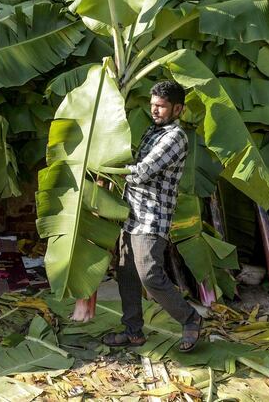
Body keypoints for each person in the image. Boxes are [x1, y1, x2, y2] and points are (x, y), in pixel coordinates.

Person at [102, 80, 202, 352]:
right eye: (152, 105)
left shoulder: (175, 137)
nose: (154, 111)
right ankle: (133, 332)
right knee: (126, 275)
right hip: (131, 213)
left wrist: (104, 167)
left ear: (178, 108)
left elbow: (143, 171)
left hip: (152, 218)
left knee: (149, 275)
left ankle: (191, 318)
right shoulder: (151, 131)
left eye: (161, 106)